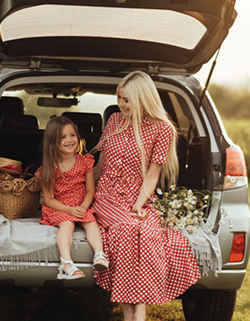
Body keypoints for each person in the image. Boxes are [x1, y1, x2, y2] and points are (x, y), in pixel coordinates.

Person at [91, 71, 201, 321]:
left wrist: (139, 204)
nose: (121, 104)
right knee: (130, 230)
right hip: (108, 196)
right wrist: (82, 190)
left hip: (139, 197)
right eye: (120, 98)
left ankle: (135, 313)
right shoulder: (114, 121)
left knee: (148, 234)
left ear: (143, 99)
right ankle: (137, 315)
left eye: (127, 99)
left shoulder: (163, 130)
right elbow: (100, 165)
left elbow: (152, 176)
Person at [37, 116, 109, 280]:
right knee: (67, 224)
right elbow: (48, 199)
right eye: (62, 137)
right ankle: (66, 263)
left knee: (91, 222)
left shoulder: (85, 162)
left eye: (72, 135)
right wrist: (69, 210)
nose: (69, 140)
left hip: (80, 205)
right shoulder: (50, 167)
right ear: (53, 143)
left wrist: (83, 206)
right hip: (59, 207)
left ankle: (99, 254)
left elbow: (90, 190)